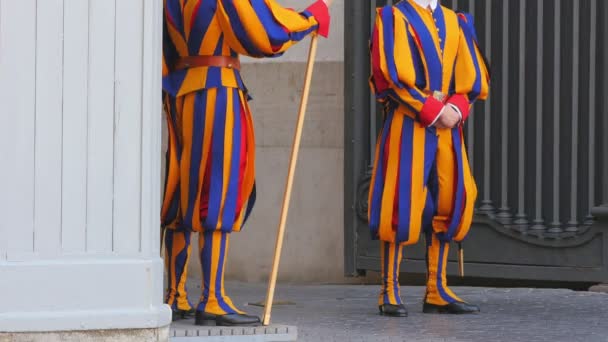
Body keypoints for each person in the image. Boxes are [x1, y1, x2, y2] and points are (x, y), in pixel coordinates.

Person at [161, 0, 332, 326]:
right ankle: (211, 298)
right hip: (218, 91)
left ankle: (175, 294)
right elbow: (262, 31)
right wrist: (310, 19)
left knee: (182, 190)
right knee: (218, 190)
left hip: (180, 95)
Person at [368, 0, 490, 317]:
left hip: (449, 127)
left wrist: (457, 110)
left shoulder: (455, 20)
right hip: (408, 122)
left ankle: (437, 289)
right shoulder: (393, 17)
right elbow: (392, 77)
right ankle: (389, 291)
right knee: (400, 200)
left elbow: (470, 77)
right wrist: (434, 112)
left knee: (450, 199)